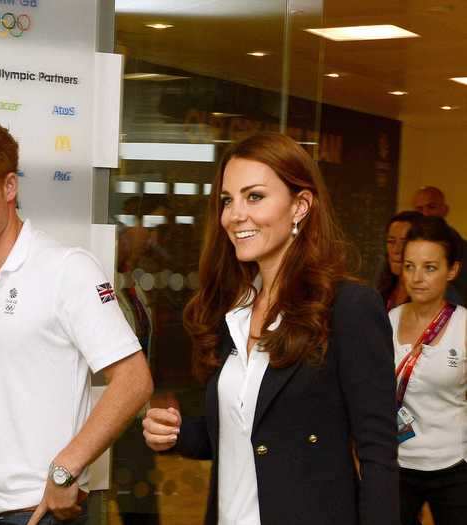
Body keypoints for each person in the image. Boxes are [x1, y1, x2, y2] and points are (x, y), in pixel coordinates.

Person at [142, 132, 399, 525]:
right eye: (227, 200)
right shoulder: (233, 311)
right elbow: (246, 431)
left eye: (254, 196)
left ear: (300, 205)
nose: (235, 214)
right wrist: (178, 435)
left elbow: (378, 452)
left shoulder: (348, 307)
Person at [0, 117, 154, 525]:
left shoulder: (67, 269)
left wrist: (65, 468)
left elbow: (134, 379)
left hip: (40, 513)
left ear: (10, 187)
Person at [388, 215, 467, 525]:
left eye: (429, 268)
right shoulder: (388, 320)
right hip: (397, 466)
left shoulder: (463, 326)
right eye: (410, 266)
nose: (417, 277)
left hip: (454, 467)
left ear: (452, 270)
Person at [412, 186, 467, 304]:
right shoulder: (406, 246)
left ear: (445, 210)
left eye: (431, 207)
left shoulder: (461, 249)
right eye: (419, 209)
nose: (425, 213)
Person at [377, 211, 423, 310]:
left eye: (404, 243)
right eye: (391, 242)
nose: (396, 250)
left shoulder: (437, 295)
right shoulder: (383, 287)